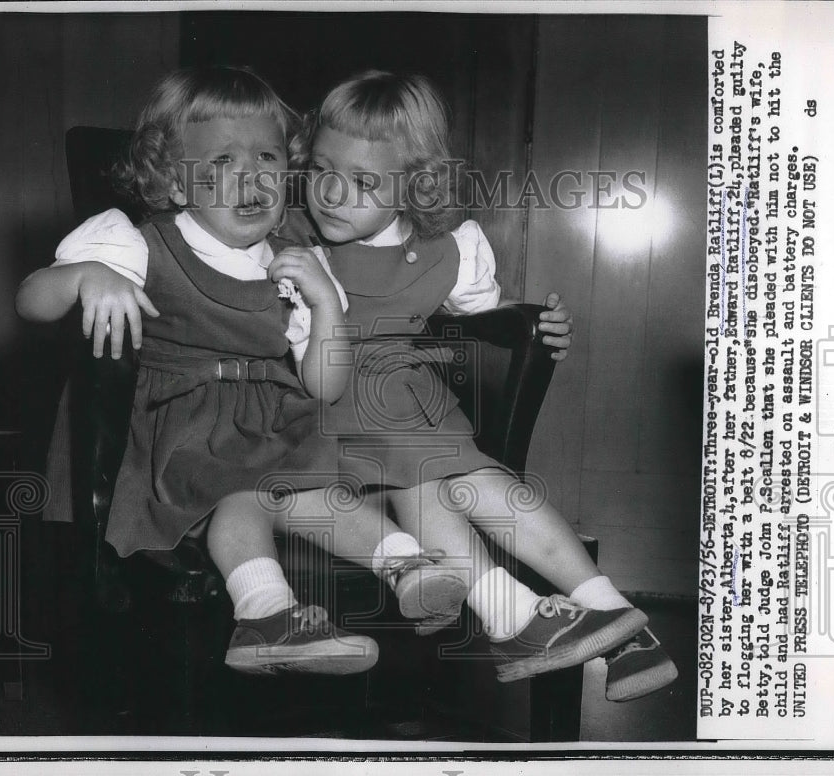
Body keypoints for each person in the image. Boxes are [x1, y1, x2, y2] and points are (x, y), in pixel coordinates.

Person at [16, 66, 469, 677]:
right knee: (242, 499)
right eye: (223, 160)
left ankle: (407, 565)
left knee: (316, 492)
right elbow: (32, 300)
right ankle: (268, 614)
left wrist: (327, 304)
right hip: (176, 428)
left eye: (268, 156)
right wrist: (86, 277)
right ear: (176, 182)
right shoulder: (136, 242)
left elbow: (324, 384)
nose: (252, 176)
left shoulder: (297, 261)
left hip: (271, 419)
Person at [287, 70, 678, 699]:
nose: (332, 193)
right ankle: (555, 617)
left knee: (470, 483)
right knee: (436, 485)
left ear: (413, 186)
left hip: (402, 400)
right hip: (320, 409)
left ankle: (607, 612)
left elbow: (479, 313)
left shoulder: (450, 248)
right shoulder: (290, 243)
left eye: (363, 182)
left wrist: (536, 322)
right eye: (321, 169)